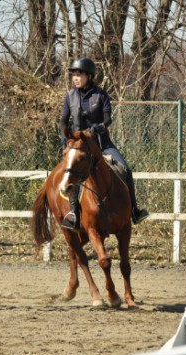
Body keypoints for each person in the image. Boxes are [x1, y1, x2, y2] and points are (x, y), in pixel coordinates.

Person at [59, 57, 149, 231]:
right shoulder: (70, 96)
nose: (75, 78)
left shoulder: (100, 94)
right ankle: (74, 213)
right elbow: (63, 120)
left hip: (102, 143)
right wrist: (66, 138)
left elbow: (108, 119)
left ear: (89, 76)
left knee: (125, 169)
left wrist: (97, 128)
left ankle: (134, 211)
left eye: (79, 74)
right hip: (78, 146)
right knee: (72, 175)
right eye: (74, 75)